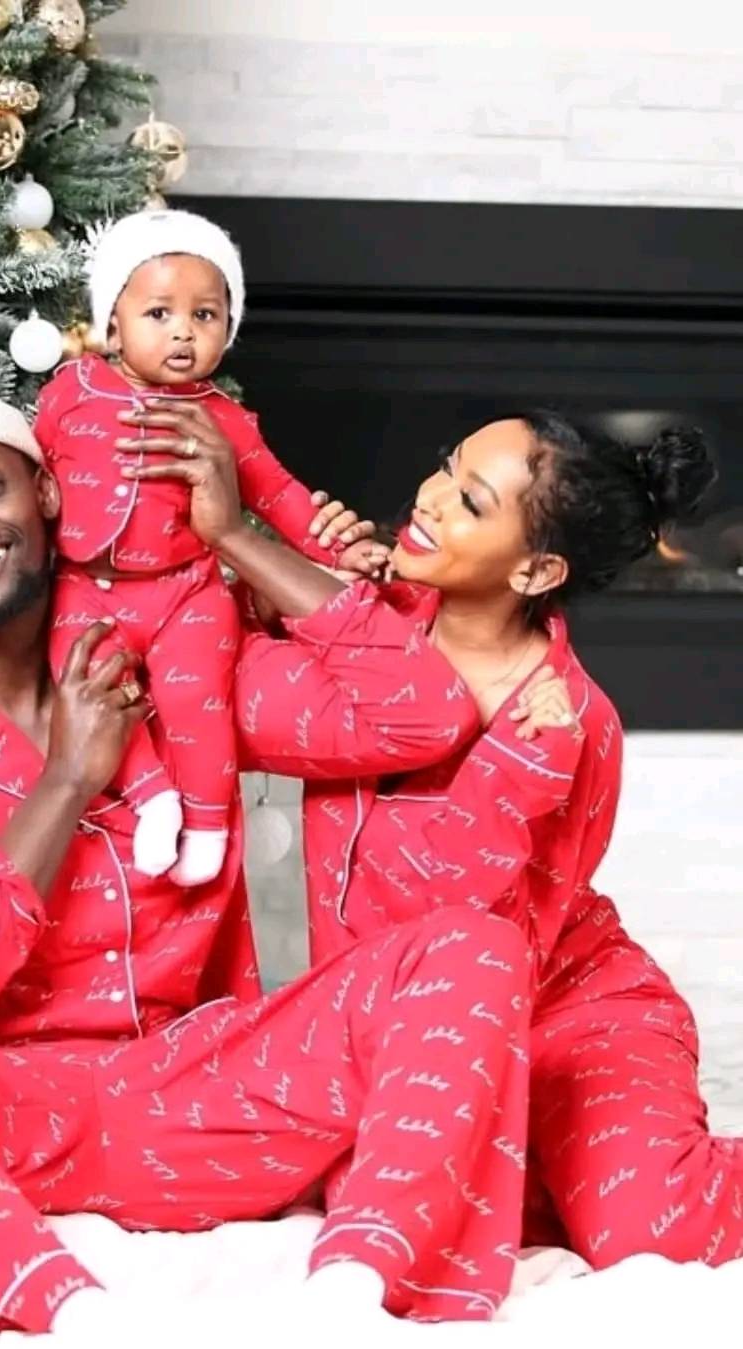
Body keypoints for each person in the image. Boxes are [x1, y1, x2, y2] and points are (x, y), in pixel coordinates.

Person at [0, 346, 534, 1346]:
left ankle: (353, 1295)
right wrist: (68, 778)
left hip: (204, 1096)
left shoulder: (180, 652)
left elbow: (419, 714)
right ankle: (68, 1314)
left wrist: (239, 537)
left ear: (47, 493)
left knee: (472, 947)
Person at [217, 408, 741, 1271]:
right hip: (401, 1022)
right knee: (336, 1183)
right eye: (446, 465)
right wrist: (291, 589)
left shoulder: (571, 727)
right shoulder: (365, 614)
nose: (428, 498)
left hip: (567, 1011)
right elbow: (232, 707)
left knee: (644, 1223)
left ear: (536, 569)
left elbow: (468, 918)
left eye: (470, 501)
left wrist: (515, 771)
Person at [34, 208, 357, 888]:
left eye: (205, 315)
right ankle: (152, 796)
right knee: (84, 679)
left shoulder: (222, 419)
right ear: (113, 325)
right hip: (85, 584)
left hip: (186, 591)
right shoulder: (71, 390)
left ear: (227, 330)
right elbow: (28, 464)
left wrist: (335, 545)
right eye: (159, 313)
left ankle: (208, 823)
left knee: (199, 699)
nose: (183, 330)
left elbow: (277, 493)